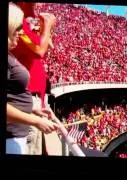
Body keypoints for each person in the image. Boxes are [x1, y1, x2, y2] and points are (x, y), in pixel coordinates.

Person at [7, 3, 59, 155]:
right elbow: (39, 50)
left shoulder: (22, 23)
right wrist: (47, 26)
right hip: (25, 101)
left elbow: (47, 46)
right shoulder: (17, 21)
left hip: (31, 104)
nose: (38, 4)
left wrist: (45, 31)